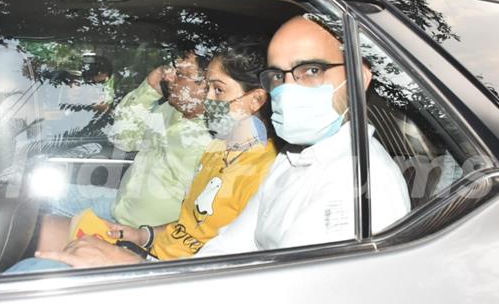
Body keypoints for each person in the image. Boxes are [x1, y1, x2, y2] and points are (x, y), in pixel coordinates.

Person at [20, 15, 410, 268]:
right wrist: (142, 239)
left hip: (193, 290)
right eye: (278, 76)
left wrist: (130, 267)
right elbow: (224, 246)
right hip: (173, 265)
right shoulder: (290, 164)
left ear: (358, 78)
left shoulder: (357, 190)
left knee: (35, 271)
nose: (287, 90)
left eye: (310, 70)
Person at [7, 42, 277, 271]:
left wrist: (132, 252)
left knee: (31, 269)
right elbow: (122, 137)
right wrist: (149, 87)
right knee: (26, 213)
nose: (170, 78)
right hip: (138, 226)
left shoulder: (244, 157)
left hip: (159, 257)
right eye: (170, 71)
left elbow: (216, 257)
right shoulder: (212, 143)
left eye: (215, 88)